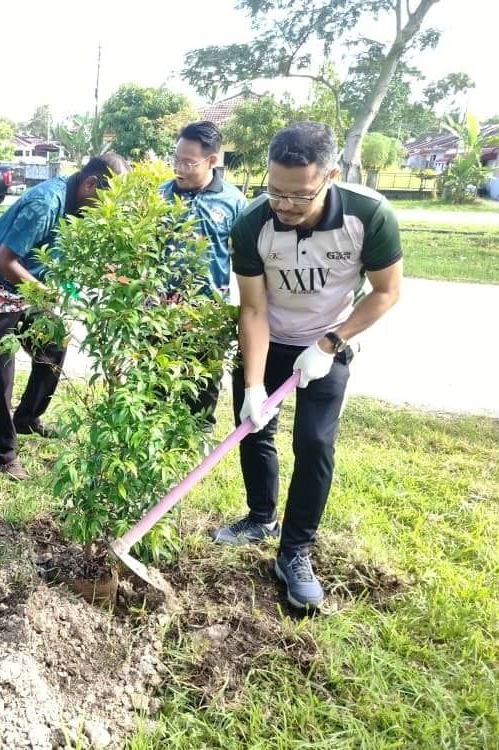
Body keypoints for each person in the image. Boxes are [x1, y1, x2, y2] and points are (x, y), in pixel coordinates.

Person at [215, 121, 403, 609]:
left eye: (299, 195)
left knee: (315, 443)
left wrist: (330, 342)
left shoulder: (369, 214)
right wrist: (254, 384)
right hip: (269, 339)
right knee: (254, 428)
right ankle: (260, 518)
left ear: (331, 176)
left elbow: (386, 292)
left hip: (329, 344)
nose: (285, 205)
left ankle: (294, 551)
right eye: (275, 191)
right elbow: (252, 308)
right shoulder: (252, 222)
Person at [0, 153, 130, 480]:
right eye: (106, 200)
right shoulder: (46, 204)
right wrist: (47, 294)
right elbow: (3, 262)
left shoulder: (78, 204)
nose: (105, 209)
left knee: (54, 345)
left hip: (27, 285)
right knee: (2, 367)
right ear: (91, 184)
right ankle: (3, 454)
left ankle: (27, 418)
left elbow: (58, 256)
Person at [158, 120, 247, 427]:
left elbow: (248, 261)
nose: (179, 169)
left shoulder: (234, 203)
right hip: (157, 313)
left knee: (201, 389)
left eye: (188, 162)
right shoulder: (159, 197)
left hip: (207, 316)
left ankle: (194, 450)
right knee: (154, 387)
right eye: (176, 160)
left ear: (212, 160)